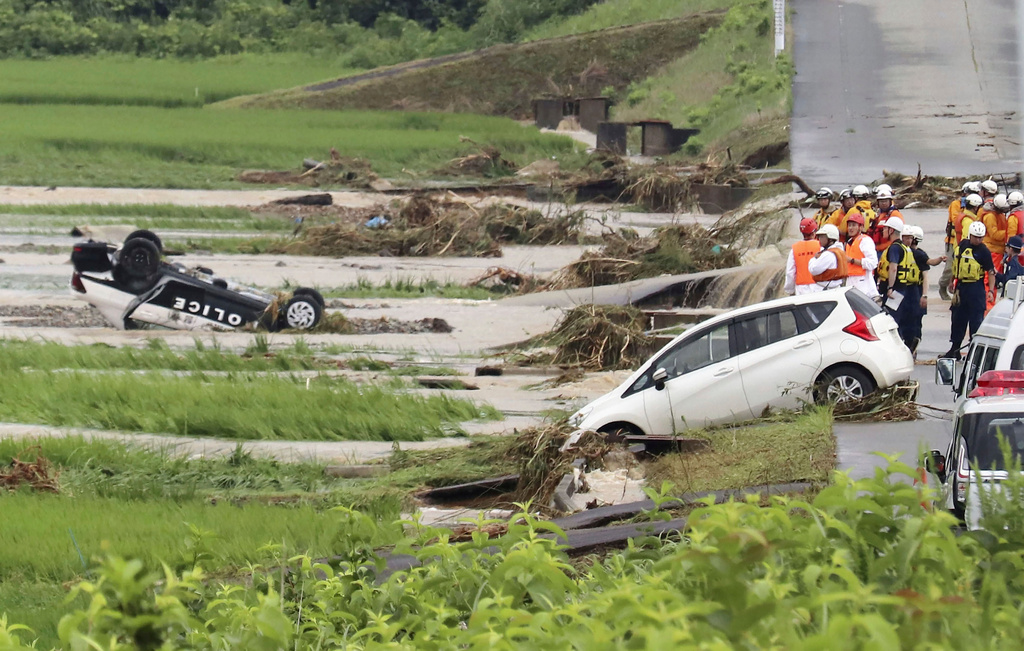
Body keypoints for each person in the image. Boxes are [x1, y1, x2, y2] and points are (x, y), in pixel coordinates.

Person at [943, 221, 996, 359]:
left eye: (980, 237)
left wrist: (990, 291)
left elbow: (991, 272)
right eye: (975, 237)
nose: (978, 240)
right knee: (958, 318)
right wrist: (951, 281)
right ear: (970, 235)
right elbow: (957, 264)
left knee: (976, 320)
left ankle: (974, 351)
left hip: (975, 287)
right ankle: (955, 349)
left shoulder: (984, 251)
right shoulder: (962, 245)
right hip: (961, 287)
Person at [879, 217, 922, 350]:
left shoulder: (894, 248)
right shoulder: (904, 247)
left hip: (895, 290)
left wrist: (890, 287)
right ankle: (909, 341)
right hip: (903, 289)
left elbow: (893, 267)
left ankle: (899, 347)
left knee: (892, 320)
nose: (884, 231)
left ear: (891, 230)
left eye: (886, 228)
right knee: (901, 318)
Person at [905, 225, 946, 357]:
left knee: (911, 322)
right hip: (916, 292)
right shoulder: (918, 253)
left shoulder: (916, 254)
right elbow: (931, 263)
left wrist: (924, 295)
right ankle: (913, 346)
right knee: (916, 322)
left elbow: (927, 271)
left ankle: (911, 346)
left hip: (914, 291)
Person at [940, 182, 973, 299]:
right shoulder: (956, 204)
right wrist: (965, 209)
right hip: (952, 240)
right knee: (950, 266)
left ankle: (956, 288)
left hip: (965, 241)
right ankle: (942, 286)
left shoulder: (976, 207)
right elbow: (955, 219)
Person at [843, 211, 879, 297]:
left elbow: (873, 263)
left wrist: (851, 260)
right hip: (850, 281)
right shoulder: (849, 242)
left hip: (863, 282)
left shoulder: (865, 240)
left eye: (854, 225)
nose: (851, 228)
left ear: (861, 227)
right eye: (849, 225)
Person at [784, 217, 822, 295]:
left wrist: (790, 290)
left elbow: (790, 272)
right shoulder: (820, 246)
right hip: (818, 286)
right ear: (814, 231)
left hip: (801, 289)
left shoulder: (794, 248)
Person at [808, 224, 848, 290]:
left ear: (830, 238)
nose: (819, 239)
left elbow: (813, 269)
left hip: (826, 289)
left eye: (822, 237)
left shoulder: (829, 254)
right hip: (834, 288)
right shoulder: (838, 250)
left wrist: (814, 258)